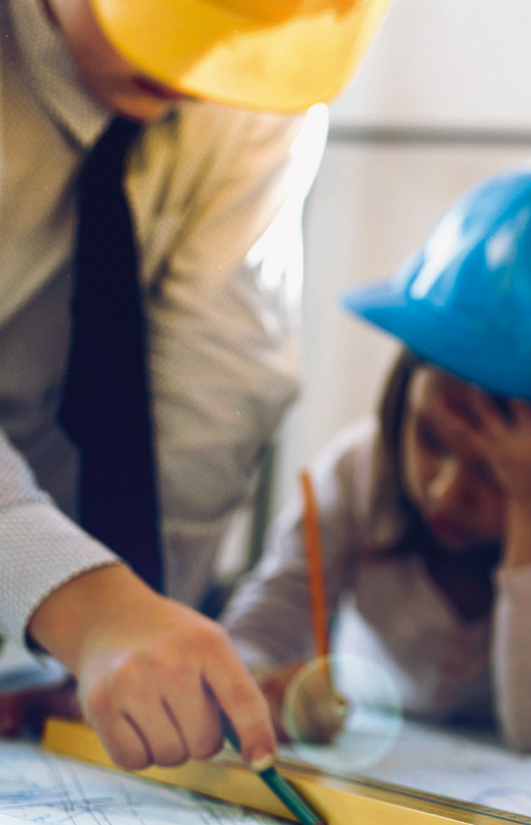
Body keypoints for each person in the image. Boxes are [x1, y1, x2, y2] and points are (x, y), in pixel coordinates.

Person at [0, 0, 388, 772]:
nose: (209, 64)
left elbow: (222, 373)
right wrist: (90, 606)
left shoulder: (257, 78)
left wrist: (143, 632)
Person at [221, 159, 531, 753]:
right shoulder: (359, 472)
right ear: (404, 397)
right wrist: (254, 678)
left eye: (494, 471)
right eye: (431, 438)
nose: (446, 492)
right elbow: (260, 627)